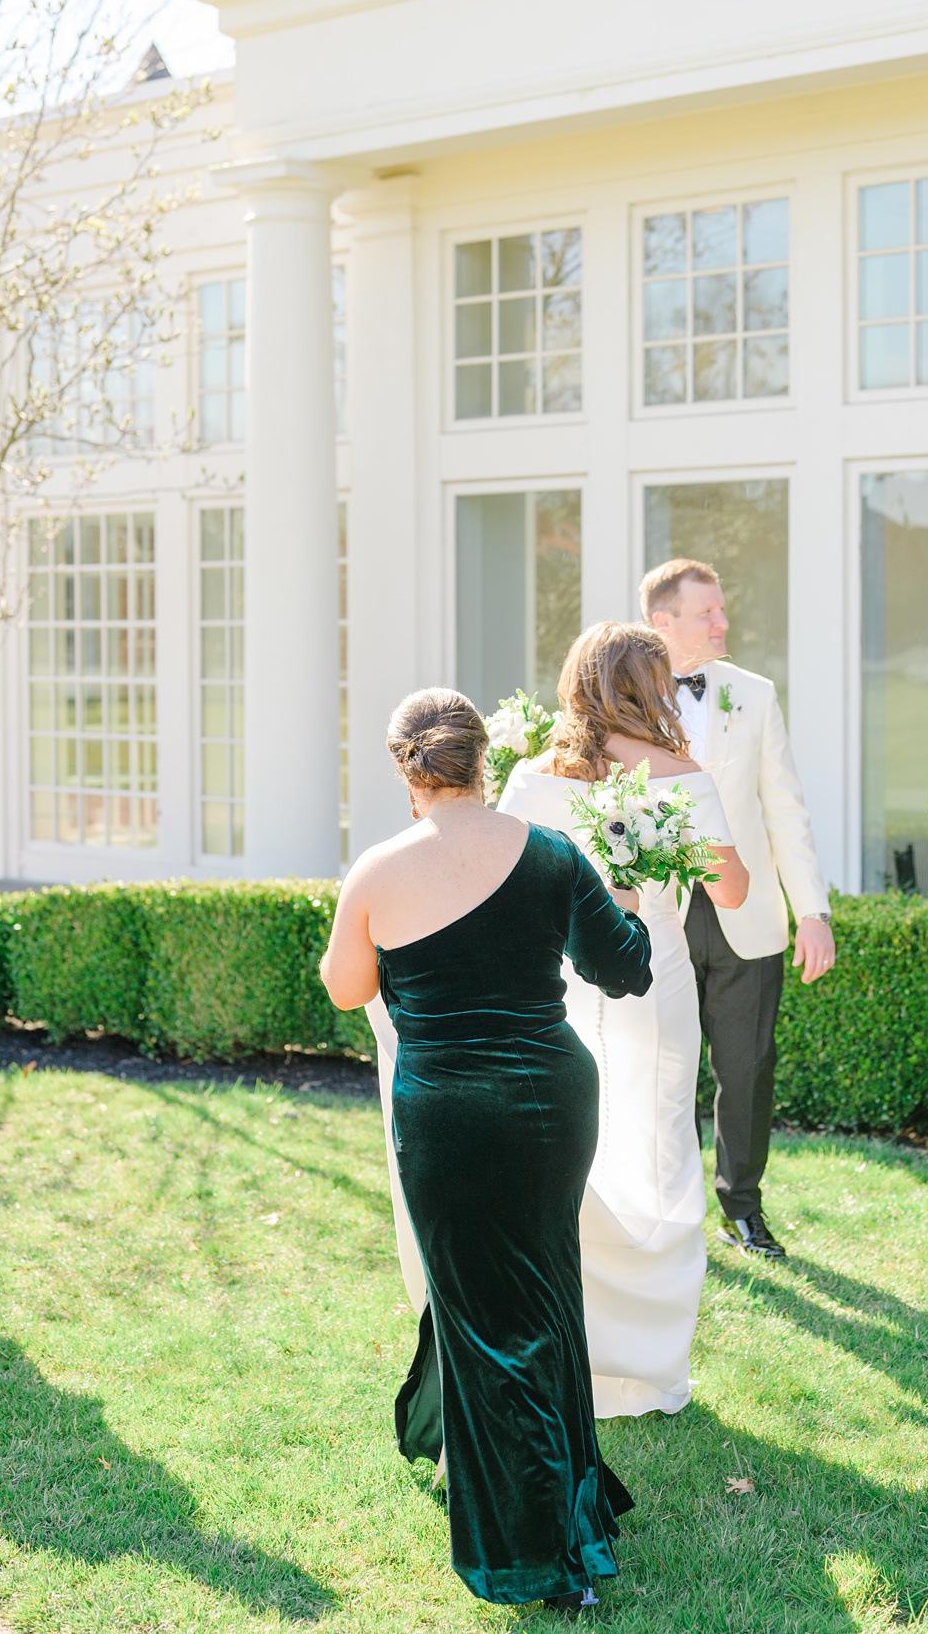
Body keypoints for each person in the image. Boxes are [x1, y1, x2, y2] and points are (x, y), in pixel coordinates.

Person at [320, 690, 652, 1615]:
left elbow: (348, 989)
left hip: (450, 1114)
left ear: (406, 768)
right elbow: (623, 968)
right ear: (482, 762)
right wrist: (624, 885)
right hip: (551, 1099)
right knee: (543, 1288)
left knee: (479, 1309)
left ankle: (537, 1551)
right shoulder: (550, 853)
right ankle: (566, 1499)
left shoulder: (379, 870)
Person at [502, 623, 751, 1418]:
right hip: (656, 977)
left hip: (557, 984)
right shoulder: (682, 775)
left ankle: (575, 1349)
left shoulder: (531, 777)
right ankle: (652, 1366)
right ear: (652, 690)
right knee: (661, 1147)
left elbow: (500, 885)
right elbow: (735, 893)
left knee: (570, 1154)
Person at [642, 559, 834, 1258]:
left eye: (722, 610)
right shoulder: (621, 693)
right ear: (662, 622)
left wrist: (811, 910)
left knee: (747, 1068)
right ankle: (663, 1208)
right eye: (707, 613)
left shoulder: (753, 694)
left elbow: (785, 808)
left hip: (746, 911)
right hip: (654, 911)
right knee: (658, 1064)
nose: (724, 623)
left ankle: (742, 1208)